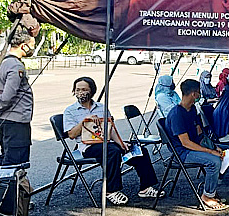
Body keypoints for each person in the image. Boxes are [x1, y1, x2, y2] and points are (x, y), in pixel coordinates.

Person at [63, 76, 164, 205]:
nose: (80, 93)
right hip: (87, 146)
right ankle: (111, 190)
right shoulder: (70, 111)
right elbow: (71, 134)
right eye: (77, 90)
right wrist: (85, 121)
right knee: (112, 151)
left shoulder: (101, 107)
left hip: (107, 142)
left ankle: (146, 187)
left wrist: (122, 143)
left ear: (91, 91)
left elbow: (111, 129)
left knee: (139, 150)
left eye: (84, 89)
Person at [165, 79, 229, 210]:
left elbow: (199, 133)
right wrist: (210, 151)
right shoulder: (177, 114)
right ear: (194, 94)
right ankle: (207, 196)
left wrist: (213, 146)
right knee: (214, 161)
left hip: (193, 147)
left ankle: (213, 183)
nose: (200, 94)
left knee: (225, 152)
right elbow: (185, 142)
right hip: (182, 152)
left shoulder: (192, 109)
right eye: (199, 92)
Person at [0, 31, 35, 166]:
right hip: (16, 121)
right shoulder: (15, 66)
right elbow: (8, 96)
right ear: (23, 46)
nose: (32, 49)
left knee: (7, 158)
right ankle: (3, 187)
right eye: (31, 45)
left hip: (6, 120)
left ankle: (5, 187)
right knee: (15, 162)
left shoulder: (1, 62)